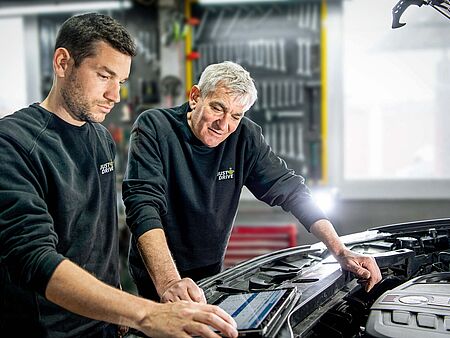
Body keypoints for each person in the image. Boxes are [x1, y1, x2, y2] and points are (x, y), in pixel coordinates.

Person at [0, 14, 237, 338]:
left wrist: (119, 310)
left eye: (121, 82)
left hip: (106, 325)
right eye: (104, 76)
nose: (115, 95)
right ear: (62, 62)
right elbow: (34, 259)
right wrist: (146, 313)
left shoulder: (100, 139)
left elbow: (99, 238)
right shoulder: (12, 144)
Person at [122, 61, 382, 304]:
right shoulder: (155, 127)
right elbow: (143, 204)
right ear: (195, 97)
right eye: (217, 108)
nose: (223, 125)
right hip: (158, 275)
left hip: (210, 273)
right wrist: (169, 282)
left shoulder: (245, 136)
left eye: (236, 115)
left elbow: (292, 191)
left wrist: (340, 251)